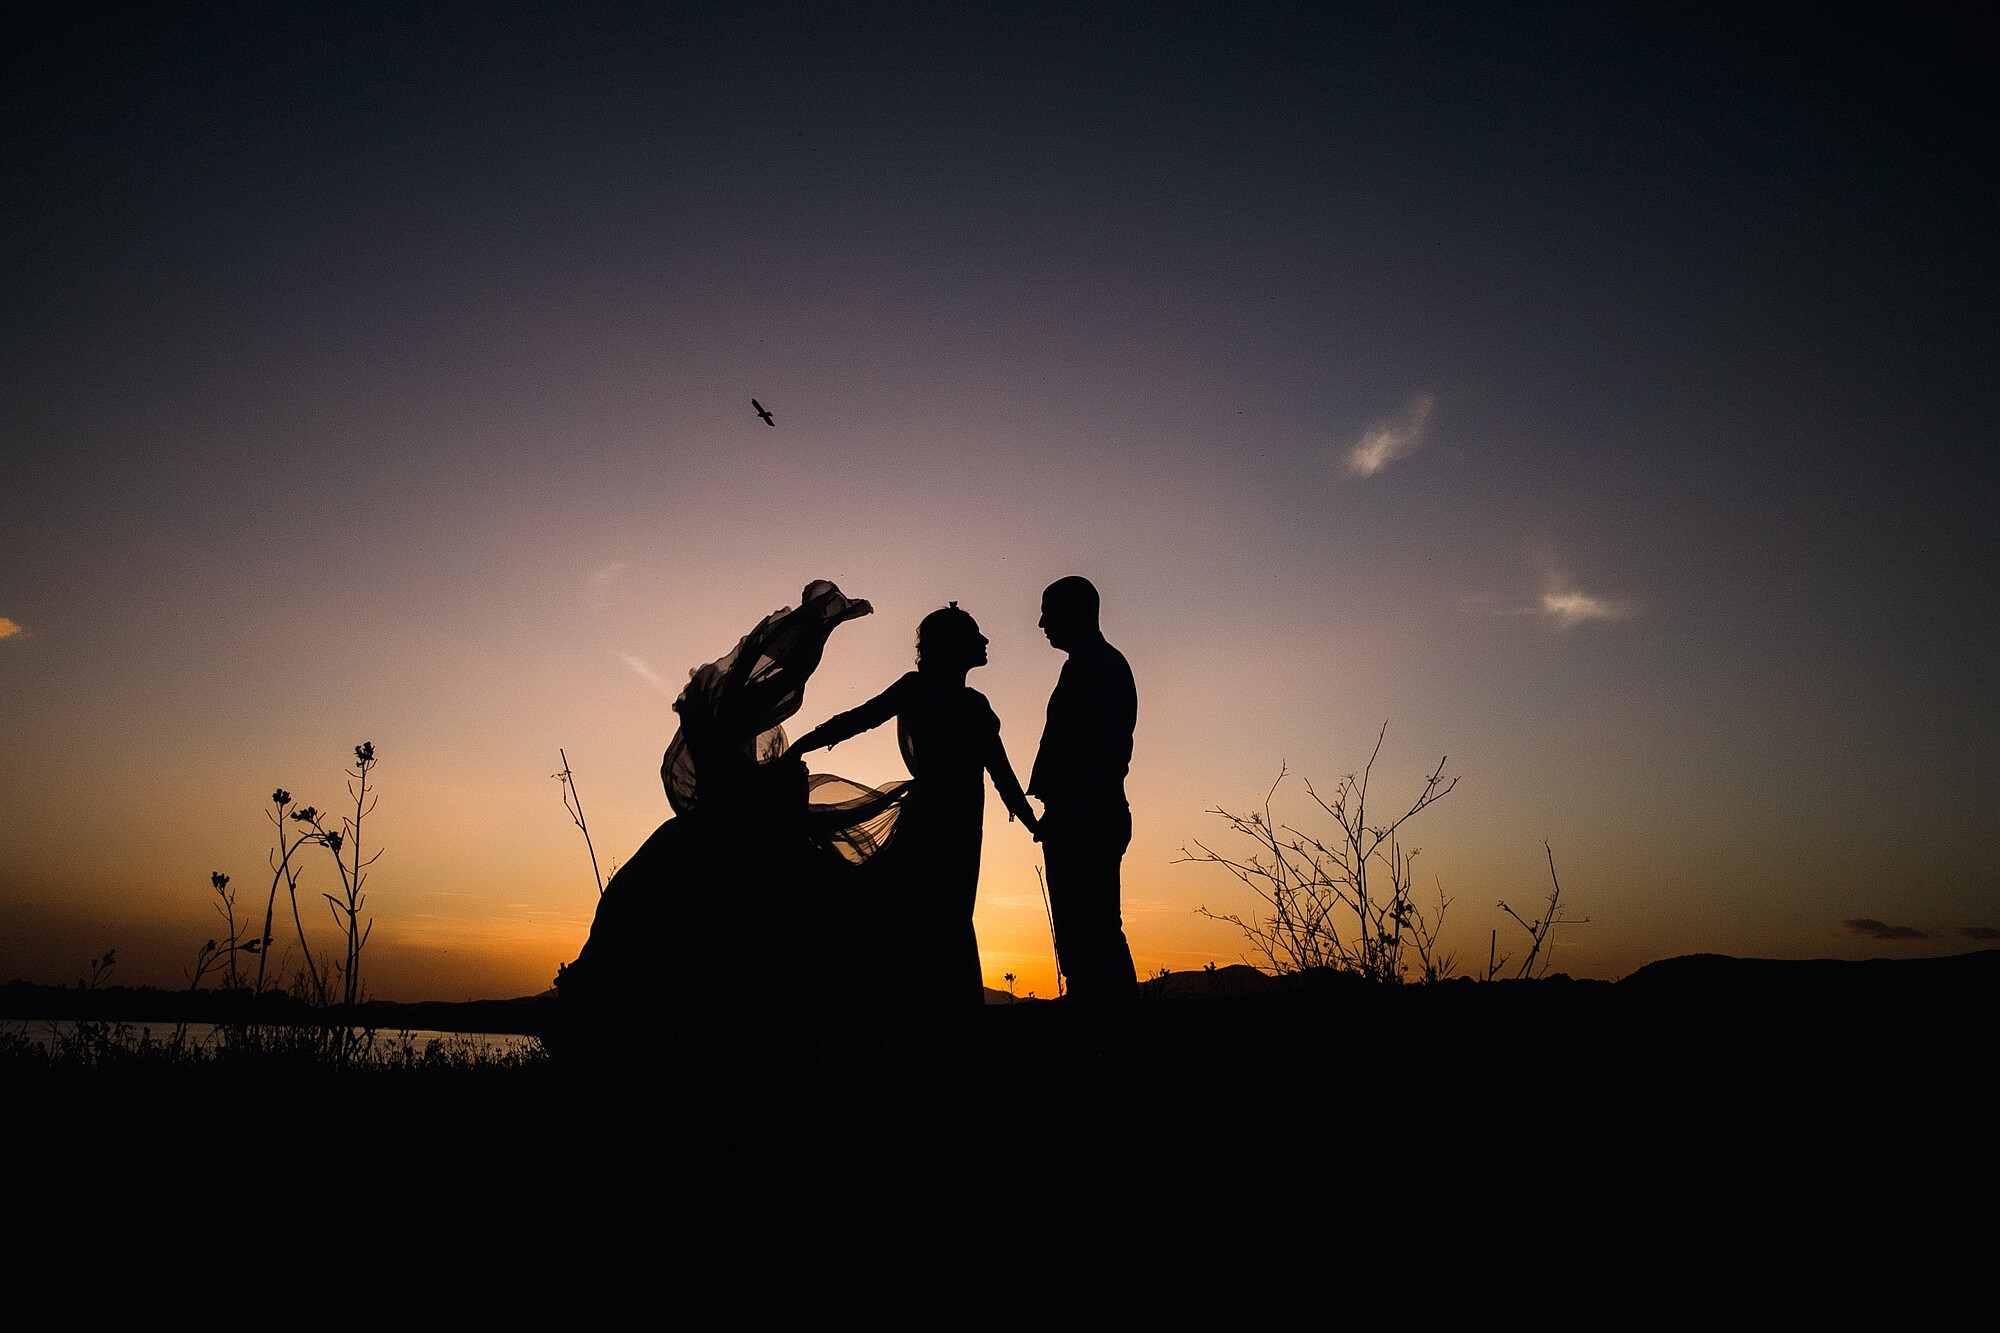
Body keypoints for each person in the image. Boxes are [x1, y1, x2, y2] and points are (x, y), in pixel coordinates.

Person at [789, 604, 1040, 1010]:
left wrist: (1031, 821)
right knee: (925, 915)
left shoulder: (976, 705)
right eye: (975, 634)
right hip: (930, 824)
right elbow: (859, 718)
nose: (985, 640)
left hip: (962, 830)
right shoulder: (917, 689)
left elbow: (1001, 771)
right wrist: (803, 745)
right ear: (953, 645)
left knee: (952, 915)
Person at [1029, 576, 1138, 1003]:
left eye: (1048, 612)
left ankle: (1106, 1027)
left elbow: (1106, 752)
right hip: (1078, 816)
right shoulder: (1086, 664)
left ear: (1076, 613)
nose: (1041, 623)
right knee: (1082, 934)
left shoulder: (1102, 666)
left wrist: (1074, 811)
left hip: (1087, 817)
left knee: (1093, 931)